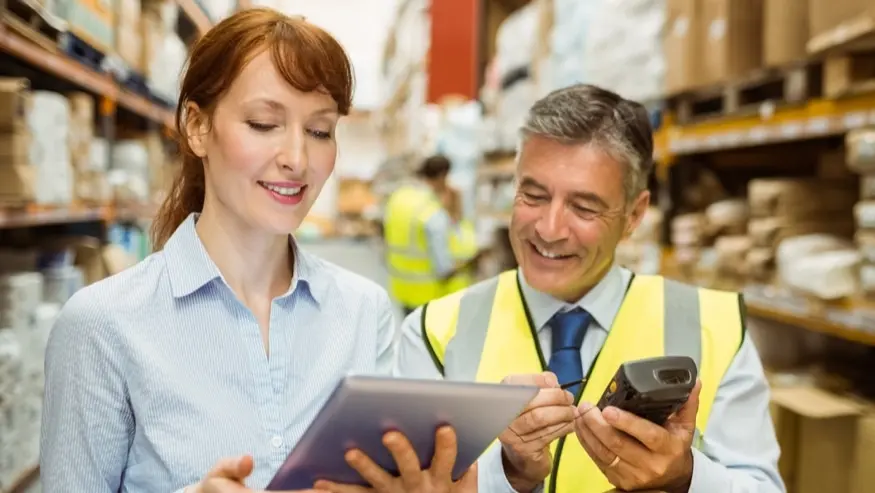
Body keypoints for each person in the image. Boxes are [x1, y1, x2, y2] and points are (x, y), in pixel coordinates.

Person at [39, 9, 474, 493]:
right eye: (264, 123)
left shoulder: (362, 312)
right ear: (197, 127)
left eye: (319, 130)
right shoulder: (102, 326)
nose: (297, 158)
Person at [393, 84, 785, 493]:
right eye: (533, 195)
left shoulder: (714, 328)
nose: (549, 229)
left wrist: (685, 479)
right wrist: (508, 472)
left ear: (634, 215)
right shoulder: (434, 333)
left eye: (584, 207)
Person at [383, 155, 482, 315]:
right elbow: (444, 269)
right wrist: (470, 262)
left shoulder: (398, 198)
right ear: (443, 176)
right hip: (429, 297)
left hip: (403, 290)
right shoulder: (432, 212)